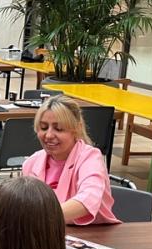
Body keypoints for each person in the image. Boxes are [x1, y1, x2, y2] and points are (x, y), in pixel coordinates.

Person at [21, 95, 119, 225]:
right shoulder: (31, 163)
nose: (49, 135)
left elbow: (89, 198)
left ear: (76, 129)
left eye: (59, 129)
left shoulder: (90, 158)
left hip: (94, 234)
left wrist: (42, 216)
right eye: (43, 128)